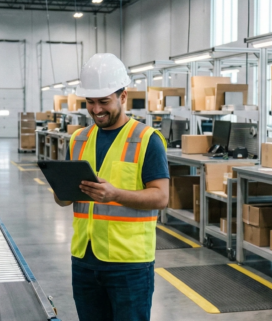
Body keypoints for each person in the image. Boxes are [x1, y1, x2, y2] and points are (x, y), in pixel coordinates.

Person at [53, 53, 169, 321]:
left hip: (129, 264)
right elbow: (67, 198)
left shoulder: (146, 140)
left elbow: (161, 197)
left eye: (104, 101)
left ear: (123, 96)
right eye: (90, 102)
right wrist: (61, 193)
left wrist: (115, 194)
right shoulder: (78, 139)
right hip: (84, 258)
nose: (96, 110)